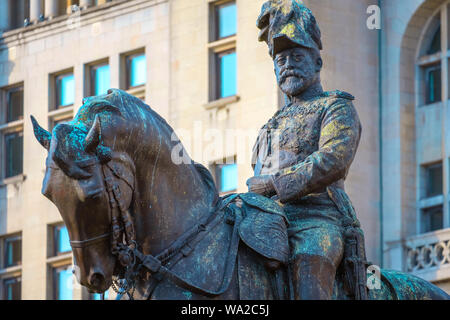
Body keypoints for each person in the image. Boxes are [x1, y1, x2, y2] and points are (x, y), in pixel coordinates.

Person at [246, 0, 365, 300]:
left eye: (297, 56)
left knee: (310, 261)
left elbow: (333, 159)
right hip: (267, 221)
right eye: (281, 60)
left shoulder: (335, 107)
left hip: (317, 220)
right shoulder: (268, 126)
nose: (288, 66)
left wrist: (275, 184)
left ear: (317, 62)